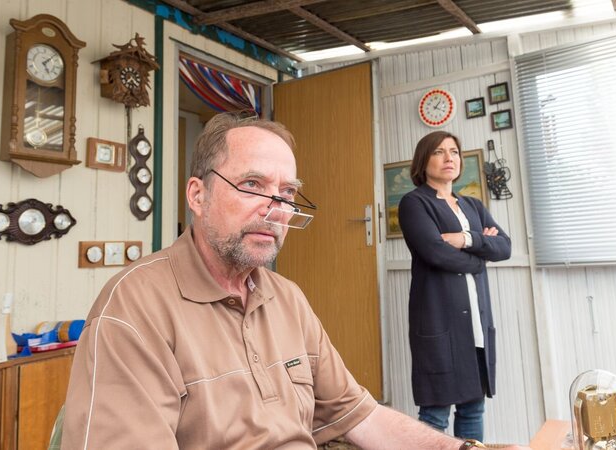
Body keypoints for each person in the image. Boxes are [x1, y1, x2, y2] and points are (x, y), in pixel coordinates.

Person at [61, 113, 525, 450]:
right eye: (252, 185)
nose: (277, 208)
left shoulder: (287, 298)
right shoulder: (135, 306)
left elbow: (358, 415)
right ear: (197, 195)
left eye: (286, 192)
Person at [398, 130, 512, 441]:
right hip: (438, 321)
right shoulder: (414, 203)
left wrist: (467, 239)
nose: (450, 158)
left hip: (476, 323)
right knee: (435, 412)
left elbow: (504, 246)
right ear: (424, 160)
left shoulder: (473, 205)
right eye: (439, 152)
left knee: (473, 407)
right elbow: (435, 253)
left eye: (454, 152)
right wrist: (480, 259)